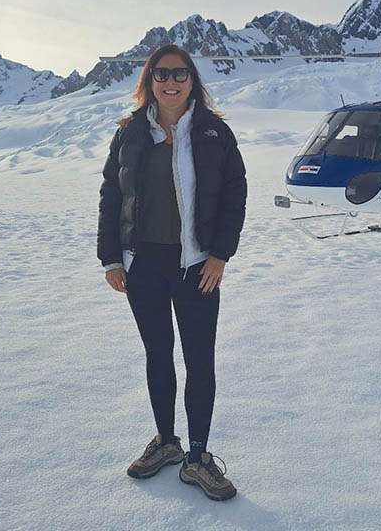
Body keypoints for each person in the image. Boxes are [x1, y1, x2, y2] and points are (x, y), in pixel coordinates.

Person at [97, 44, 247, 501]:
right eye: (161, 73)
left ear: (192, 81)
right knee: (157, 356)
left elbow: (234, 196)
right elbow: (110, 195)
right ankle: (166, 442)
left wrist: (220, 255)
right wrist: (111, 258)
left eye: (180, 73)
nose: (171, 81)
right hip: (142, 266)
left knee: (199, 360)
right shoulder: (130, 134)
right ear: (149, 81)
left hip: (196, 267)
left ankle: (198, 457)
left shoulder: (213, 133)